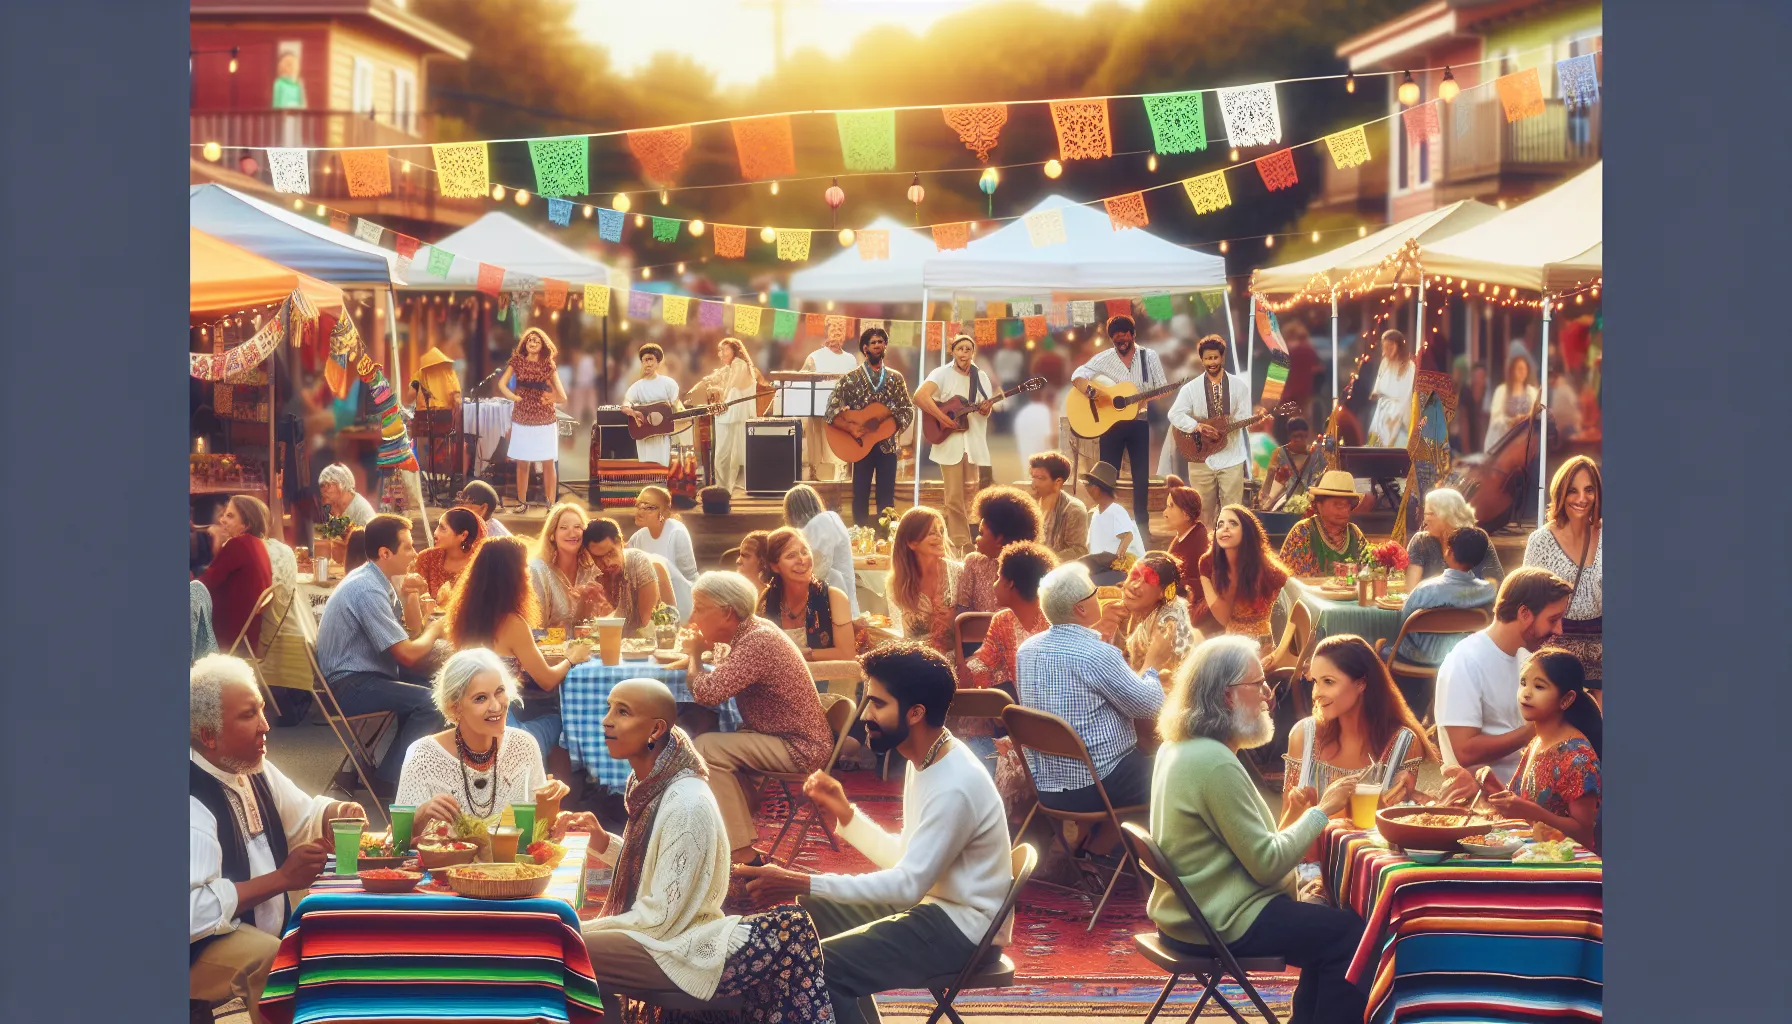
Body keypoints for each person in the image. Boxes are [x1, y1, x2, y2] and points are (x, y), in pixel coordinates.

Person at [735, 642, 1013, 1024]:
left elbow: (906, 887)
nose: (865, 714)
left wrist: (803, 880)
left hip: (965, 931)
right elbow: (908, 864)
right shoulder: (926, 757)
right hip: (935, 907)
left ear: (915, 713)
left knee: (818, 969)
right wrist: (846, 814)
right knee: (804, 920)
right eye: (867, 700)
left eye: (878, 704)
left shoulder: (955, 784)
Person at [550, 679, 835, 1021]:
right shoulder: (654, 781)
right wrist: (602, 841)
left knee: (559, 947)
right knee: (561, 942)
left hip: (680, 946)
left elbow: (661, 917)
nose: (607, 720)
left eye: (622, 712)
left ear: (656, 729)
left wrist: (574, 927)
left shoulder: (685, 803)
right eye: (609, 708)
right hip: (668, 932)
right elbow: (665, 867)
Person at [1149, 636, 1369, 1024]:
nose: (1269, 694)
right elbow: (1267, 865)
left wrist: (1297, 818)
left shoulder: (1180, 747)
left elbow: (1252, 848)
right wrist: (1322, 811)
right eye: (1259, 684)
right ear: (1228, 695)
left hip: (1189, 912)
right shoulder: (1214, 763)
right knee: (1352, 937)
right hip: (1220, 920)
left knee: (1331, 929)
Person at [190, 654, 362, 1024]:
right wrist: (282, 880)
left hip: (248, 925)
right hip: (193, 945)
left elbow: (304, 816)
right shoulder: (190, 800)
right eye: (248, 715)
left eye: (262, 710)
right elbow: (190, 913)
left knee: (332, 920)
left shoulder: (252, 766)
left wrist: (338, 813)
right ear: (208, 735)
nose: (265, 726)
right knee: (270, 958)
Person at [682, 571, 835, 864]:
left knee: (704, 747)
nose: (693, 617)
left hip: (798, 746)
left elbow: (707, 692)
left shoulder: (758, 640)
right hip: (778, 736)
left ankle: (743, 854)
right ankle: (724, 835)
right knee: (708, 736)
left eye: (700, 608)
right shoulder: (751, 632)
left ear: (727, 613)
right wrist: (697, 655)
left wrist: (693, 656)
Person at [1015, 562, 1177, 811]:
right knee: (1184, 770)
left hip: (1048, 787)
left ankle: (1096, 847)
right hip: (1100, 783)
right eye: (1095, 593)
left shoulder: (1026, 650)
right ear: (1080, 608)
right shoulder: (1096, 654)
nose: (1099, 598)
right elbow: (1150, 706)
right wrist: (1153, 662)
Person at [314, 513, 447, 791]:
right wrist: (437, 629)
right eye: (409, 546)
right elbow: (408, 653)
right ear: (385, 553)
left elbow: (410, 631)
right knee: (434, 701)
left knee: (433, 685)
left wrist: (412, 595)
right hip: (350, 685)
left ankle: (391, 769)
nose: (415, 553)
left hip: (361, 677)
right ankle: (390, 778)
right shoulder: (367, 589)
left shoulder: (378, 579)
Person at [444, 536, 595, 781]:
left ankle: (545, 791)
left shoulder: (463, 618)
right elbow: (547, 680)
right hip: (504, 724)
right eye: (524, 568)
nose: (528, 574)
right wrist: (571, 658)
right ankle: (561, 800)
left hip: (471, 720)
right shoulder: (511, 622)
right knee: (562, 722)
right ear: (511, 576)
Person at [398, 649, 572, 836]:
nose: (496, 706)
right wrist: (422, 814)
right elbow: (398, 843)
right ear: (454, 707)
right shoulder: (423, 755)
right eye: (480, 698)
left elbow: (537, 835)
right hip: (445, 866)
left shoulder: (524, 745)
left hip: (511, 865)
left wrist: (551, 801)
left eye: (500, 692)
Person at [1282, 636, 1443, 831]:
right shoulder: (1303, 736)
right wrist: (1297, 811)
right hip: (1308, 859)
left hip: (1365, 857)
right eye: (1315, 682)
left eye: (1328, 682)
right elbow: (1282, 840)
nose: (1316, 693)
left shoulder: (1403, 743)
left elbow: (1392, 834)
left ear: (1361, 683)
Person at [1435, 568, 1572, 782]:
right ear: (1525, 614)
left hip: (1528, 791)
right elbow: (1464, 752)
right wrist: (1533, 730)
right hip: (1480, 799)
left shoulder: (1529, 657)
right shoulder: (1465, 661)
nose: (1559, 630)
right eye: (1553, 619)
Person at [1486, 649, 1602, 852]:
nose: (1526, 693)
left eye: (1539, 686)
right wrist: (1487, 786)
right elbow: (1519, 805)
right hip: (1535, 855)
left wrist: (1536, 813)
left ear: (1566, 699)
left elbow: (1584, 834)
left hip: (1569, 868)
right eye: (1523, 683)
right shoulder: (1537, 742)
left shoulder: (1576, 756)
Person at [1071, 315, 1166, 535]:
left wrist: (1142, 399)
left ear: (1133, 335)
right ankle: (1106, 522)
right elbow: (1078, 375)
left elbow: (1161, 386)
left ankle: (1142, 525)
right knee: (1106, 474)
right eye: (1116, 338)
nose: (1121, 341)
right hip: (1110, 424)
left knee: (1141, 476)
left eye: (1124, 336)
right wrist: (1093, 392)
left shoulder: (1148, 357)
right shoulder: (1103, 358)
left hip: (1138, 422)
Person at [1523, 455, 1602, 695]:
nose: (1581, 499)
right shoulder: (1541, 541)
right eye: (1572, 491)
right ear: (1560, 493)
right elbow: (1526, 597)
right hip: (1557, 642)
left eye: (1589, 490)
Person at [915, 334, 996, 553]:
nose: (963, 353)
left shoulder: (981, 377)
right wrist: (943, 419)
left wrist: (986, 409)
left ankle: (981, 541)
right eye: (960, 349)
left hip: (974, 442)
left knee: (975, 495)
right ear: (953, 351)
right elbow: (920, 397)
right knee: (953, 496)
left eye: (968, 349)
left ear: (973, 352)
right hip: (949, 443)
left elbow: (984, 409)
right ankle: (961, 543)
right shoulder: (940, 374)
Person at [825, 326, 914, 525]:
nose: (877, 346)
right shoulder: (851, 379)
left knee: (886, 498)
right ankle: (859, 535)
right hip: (859, 445)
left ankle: (886, 538)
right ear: (865, 348)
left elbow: (908, 409)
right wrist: (851, 428)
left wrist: (891, 426)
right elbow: (830, 412)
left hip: (888, 447)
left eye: (880, 342)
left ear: (885, 347)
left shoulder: (895, 379)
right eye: (873, 343)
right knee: (860, 495)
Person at [1168, 335, 1254, 531]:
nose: (1212, 363)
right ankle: (1205, 555)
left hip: (1232, 456)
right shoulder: (1191, 388)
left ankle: (1229, 553)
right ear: (1202, 360)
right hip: (1201, 458)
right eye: (1208, 359)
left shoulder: (1239, 386)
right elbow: (1174, 414)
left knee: (1232, 512)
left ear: (1222, 358)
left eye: (1215, 358)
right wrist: (1197, 427)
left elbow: (1244, 416)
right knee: (1202, 512)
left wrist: (1236, 424)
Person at [1388, 527, 1498, 677]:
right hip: (1461, 658)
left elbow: (1404, 619)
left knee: (1382, 646)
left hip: (1416, 657)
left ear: (1450, 552)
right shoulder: (1488, 591)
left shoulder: (1425, 590)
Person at [1195, 505, 1291, 652]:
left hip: (1263, 647)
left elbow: (1289, 612)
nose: (1225, 528)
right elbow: (1224, 617)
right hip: (1231, 645)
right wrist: (1206, 575)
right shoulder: (1209, 565)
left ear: (1247, 531)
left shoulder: (1270, 570)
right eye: (1220, 524)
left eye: (1233, 523)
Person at [758, 528, 856, 663]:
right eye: (791, 556)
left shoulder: (834, 598)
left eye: (804, 552)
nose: (801, 560)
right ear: (775, 567)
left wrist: (800, 656)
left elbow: (847, 654)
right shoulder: (765, 602)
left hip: (825, 682)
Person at [496, 328, 567, 508]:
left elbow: (563, 397)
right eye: (529, 340)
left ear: (542, 344)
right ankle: (522, 502)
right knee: (522, 461)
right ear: (524, 344)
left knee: (548, 462)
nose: (533, 343)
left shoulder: (548, 364)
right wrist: (513, 397)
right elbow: (501, 384)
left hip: (544, 419)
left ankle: (550, 503)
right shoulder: (517, 362)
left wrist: (550, 398)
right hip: (522, 417)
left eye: (536, 340)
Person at [200, 494, 275, 651]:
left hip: (227, 637)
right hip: (247, 637)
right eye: (224, 515)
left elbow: (203, 585)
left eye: (230, 516)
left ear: (246, 524)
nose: (222, 520)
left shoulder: (238, 544)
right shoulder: (257, 544)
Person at [886, 506, 963, 655]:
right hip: (916, 661)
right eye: (932, 533)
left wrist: (954, 619)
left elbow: (971, 621)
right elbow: (900, 634)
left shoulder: (958, 573)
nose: (940, 537)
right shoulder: (895, 584)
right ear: (912, 543)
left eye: (941, 531)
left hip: (955, 659)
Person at [1108, 552, 1198, 673]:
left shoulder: (1168, 624)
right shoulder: (1130, 609)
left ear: (1162, 592)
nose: (1135, 585)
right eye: (1134, 576)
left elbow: (1149, 679)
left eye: (1147, 581)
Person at [957, 485, 1041, 614]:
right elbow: (961, 611)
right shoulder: (974, 562)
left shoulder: (1031, 569)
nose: (977, 539)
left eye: (981, 533)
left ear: (999, 540)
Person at [582, 517, 672, 636]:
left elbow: (647, 626)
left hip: (650, 644)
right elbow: (585, 627)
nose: (607, 563)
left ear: (620, 543)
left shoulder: (638, 562)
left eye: (610, 553)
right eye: (598, 558)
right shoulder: (594, 576)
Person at [785, 484, 860, 619]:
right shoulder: (819, 523)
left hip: (835, 597)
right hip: (833, 598)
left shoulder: (824, 521)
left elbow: (817, 567)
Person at [1405, 487, 1504, 587]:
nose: (1425, 520)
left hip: (1473, 600)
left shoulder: (1476, 538)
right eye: (1425, 514)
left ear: (1448, 514)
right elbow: (1412, 589)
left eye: (1430, 514)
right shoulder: (1421, 542)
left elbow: (1495, 583)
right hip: (1430, 601)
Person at [1279, 470, 1370, 577]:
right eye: (1338, 505)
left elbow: (1370, 571)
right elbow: (1295, 582)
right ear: (1319, 504)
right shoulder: (1303, 532)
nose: (1345, 511)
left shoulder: (1354, 532)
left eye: (1347, 505)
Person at [527, 502, 601, 630]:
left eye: (577, 527)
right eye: (563, 527)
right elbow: (535, 627)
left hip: (589, 646)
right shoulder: (538, 570)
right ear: (552, 535)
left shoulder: (592, 570)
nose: (572, 533)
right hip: (549, 647)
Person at [800, 327, 861, 481]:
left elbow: (854, 385)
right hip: (819, 411)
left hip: (842, 414)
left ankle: (838, 480)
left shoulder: (850, 359)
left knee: (838, 455)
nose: (836, 334)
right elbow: (801, 382)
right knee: (821, 456)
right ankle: (819, 481)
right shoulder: (814, 357)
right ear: (826, 333)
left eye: (840, 330)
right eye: (833, 330)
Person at [706, 336, 761, 495]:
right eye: (719, 350)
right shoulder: (731, 367)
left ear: (735, 350)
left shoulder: (739, 364)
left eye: (724, 349)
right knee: (731, 456)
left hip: (732, 415)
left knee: (725, 456)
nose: (720, 353)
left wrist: (719, 399)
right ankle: (727, 489)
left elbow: (731, 387)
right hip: (733, 416)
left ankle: (724, 490)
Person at [1081, 461, 1145, 585]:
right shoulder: (1095, 513)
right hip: (1101, 568)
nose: (1086, 488)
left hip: (1120, 571)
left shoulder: (1116, 510)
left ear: (1096, 488)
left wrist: (1120, 554)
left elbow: (1128, 535)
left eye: (1088, 484)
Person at [621, 343, 683, 468]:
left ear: (658, 362)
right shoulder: (637, 387)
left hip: (662, 435)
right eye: (645, 360)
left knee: (663, 467)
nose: (648, 363)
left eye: (651, 359)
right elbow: (625, 405)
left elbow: (676, 406)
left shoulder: (669, 384)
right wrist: (632, 412)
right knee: (647, 469)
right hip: (644, 434)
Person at [628, 485, 699, 583]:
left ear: (665, 513)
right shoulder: (636, 538)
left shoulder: (677, 532)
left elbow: (689, 576)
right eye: (638, 504)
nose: (640, 511)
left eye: (649, 507)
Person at [412, 506, 483, 604]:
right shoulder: (427, 558)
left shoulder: (479, 563)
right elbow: (416, 598)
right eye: (438, 526)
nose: (435, 532)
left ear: (463, 535)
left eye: (442, 528)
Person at [1029, 450, 1090, 561]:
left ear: (1058, 482)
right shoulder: (1030, 504)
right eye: (1033, 477)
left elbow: (1078, 551)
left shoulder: (1073, 509)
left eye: (1041, 478)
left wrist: (1042, 560)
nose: (1034, 484)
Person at [1366, 329, 1416, 448]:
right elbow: (1379, 384)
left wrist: (1396, 414)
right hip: (1383, 409)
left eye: (1390, 346)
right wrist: (1376, 393)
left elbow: (1406, 392)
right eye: (1385, 346)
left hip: (1399, 411)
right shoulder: (1385, 363)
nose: (1387, 350)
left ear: (1397, 346)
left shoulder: (1409, 366)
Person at [1160, 479, 1209, 593]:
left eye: (1171, 506)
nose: (1164, 513)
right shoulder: (1184, 535)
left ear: (1186, 514)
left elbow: (1200, 584)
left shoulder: (1199, 542)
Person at [1484, 351, 1539, 450]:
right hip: (1505, 439)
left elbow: (1538, 414)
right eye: (1519, 368)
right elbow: (1495, 418)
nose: (1522, 372)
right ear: (1512, 371)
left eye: (1524, 369)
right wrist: (1510, 421)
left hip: (1526, 440)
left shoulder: (1532, 392)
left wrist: (1527, 419)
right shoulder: (1501, 391)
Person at [1261, 417, 1316, 512]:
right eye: (1295, 436)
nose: (1298, 440)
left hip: (1306, 504)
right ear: (1290, 436)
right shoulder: (1279, 453)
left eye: (1302, 436)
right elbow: (1269, 477)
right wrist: (1265, 500)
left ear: (1306, 436)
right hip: (1281, 503)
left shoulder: (1312, 455)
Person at [318, 462, 376, 527]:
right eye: (323, 485)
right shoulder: (333, 503)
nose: (324, 489)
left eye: (328, 484)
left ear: (341, 484)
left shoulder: (363, 513)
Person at [570, 347, 601, 425]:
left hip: (581, 385)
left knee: (580, 405)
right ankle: (596, 420)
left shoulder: (581, 359)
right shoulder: (590, 359)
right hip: (589, 384)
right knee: (591, 404)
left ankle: (577, 422)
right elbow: (595, 372)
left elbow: (576, 372)